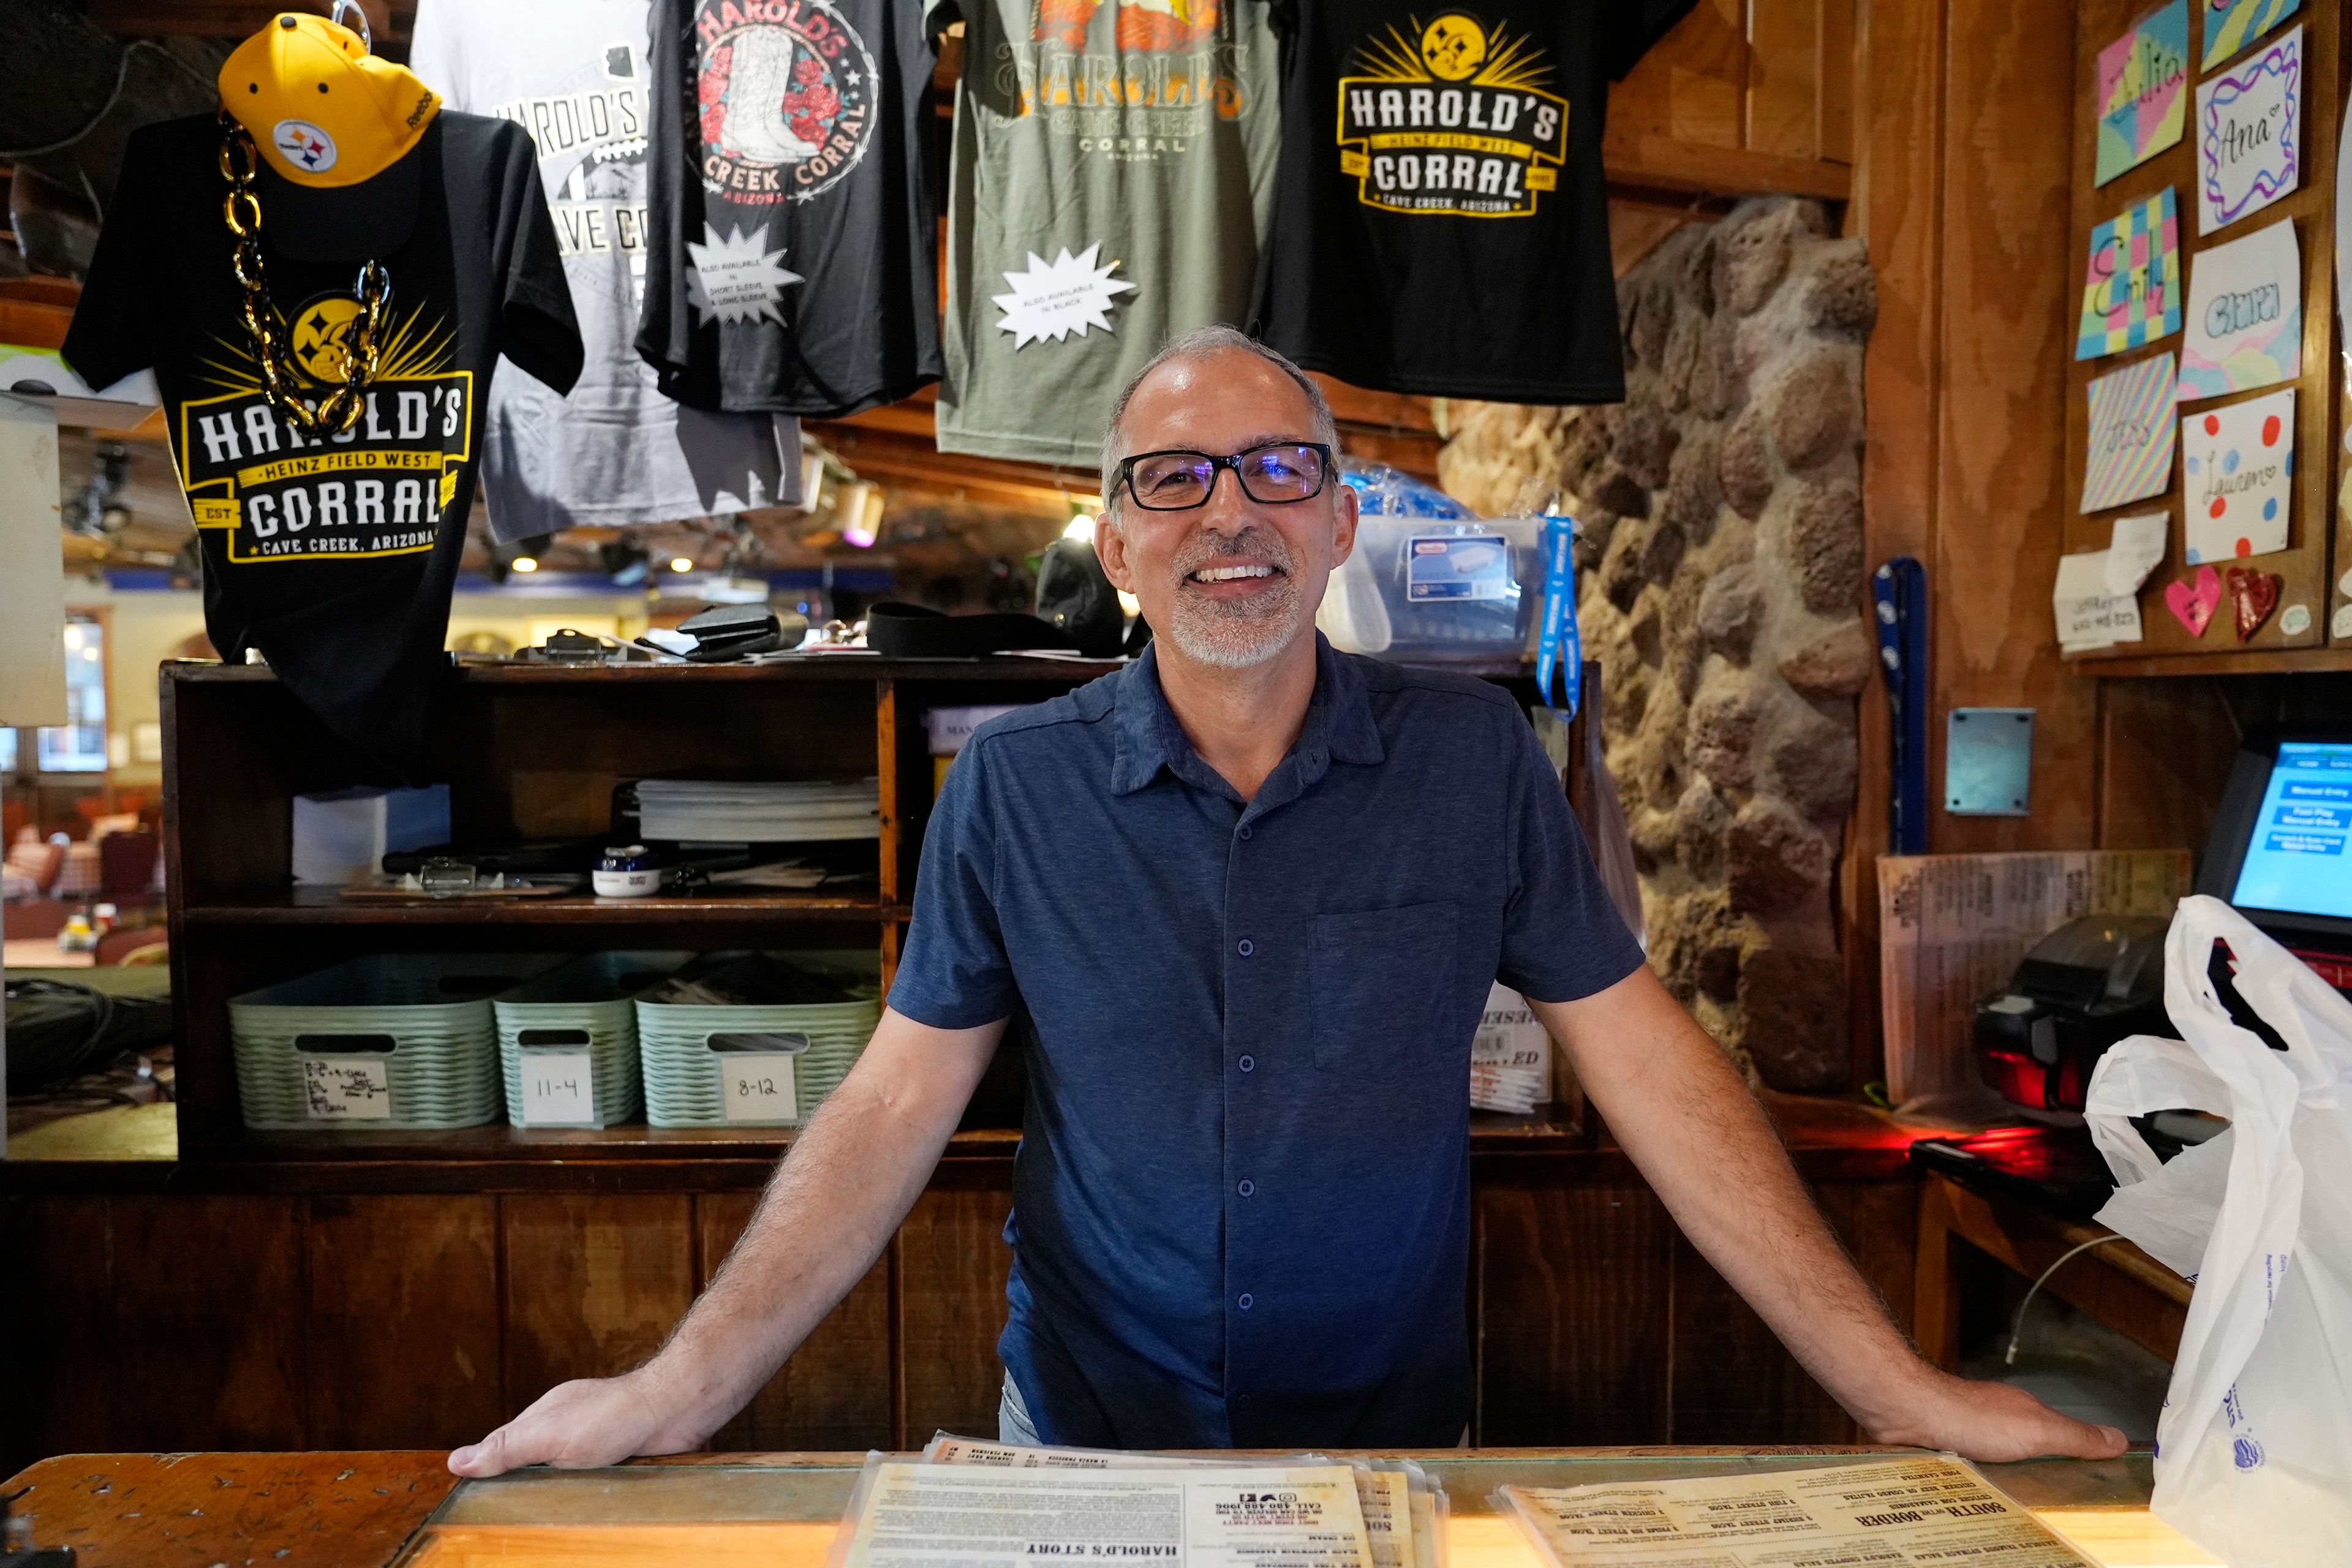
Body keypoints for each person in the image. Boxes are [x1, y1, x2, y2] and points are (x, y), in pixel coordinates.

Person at [449, 327, 2127, 1471]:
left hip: (1389, 1448)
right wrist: (683, 1385)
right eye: (1172, 480)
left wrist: (1897, 1388)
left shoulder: (1474, 768)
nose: (1227, 514)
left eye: (1274, 473)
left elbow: (1654, 1071)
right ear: (1115, 548)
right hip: (1089, 1444)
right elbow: (891, 1105)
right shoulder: (1014, 791)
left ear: (1339, 525)